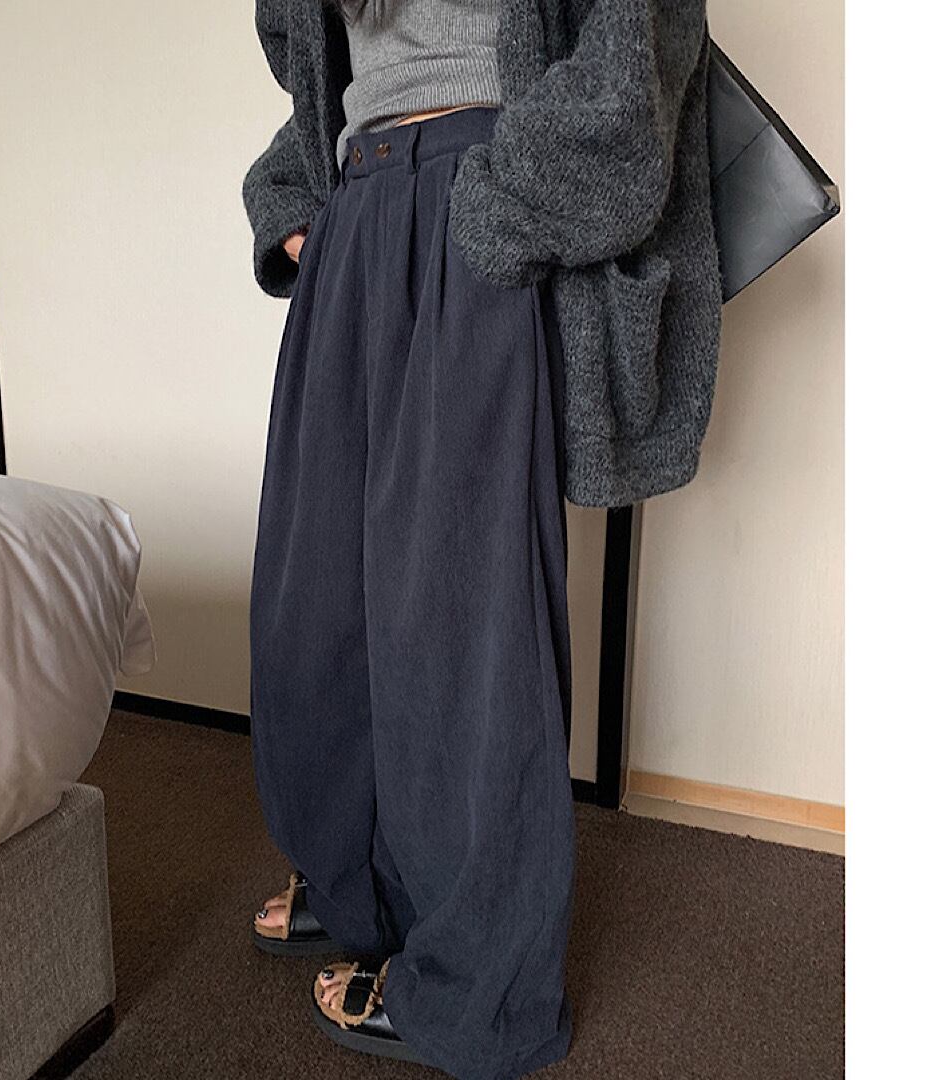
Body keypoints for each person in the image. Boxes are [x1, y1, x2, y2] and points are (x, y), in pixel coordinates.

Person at [242, 2, 720, 1078]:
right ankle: (363, 889)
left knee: (459, 624)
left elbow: (634, 54)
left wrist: (497, 208)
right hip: (363, 210)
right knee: (318, 602)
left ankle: (482, 996)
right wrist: (302, 206)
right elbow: (317, 67)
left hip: (473, 200)